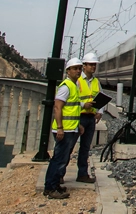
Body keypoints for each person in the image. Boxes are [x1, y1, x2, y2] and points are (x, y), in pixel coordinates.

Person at [42, 58, 93, 199]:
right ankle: (50, 188)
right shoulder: (66, 86)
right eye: (75, 68)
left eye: (79, 68)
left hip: (71, 129)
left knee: (62, 160)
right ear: (68, 71)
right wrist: (60, 128)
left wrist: (78, 125)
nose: (78, 71)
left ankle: (55, 186)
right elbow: (58, 107)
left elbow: (73, 109)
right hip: (64, 130)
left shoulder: (73, 85)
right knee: (58, 160)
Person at [74, 52, 104, 183]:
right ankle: (59, 174)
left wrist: (100, 111)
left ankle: (82, 174)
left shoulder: (96, 82)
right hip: (78, 117)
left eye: (94, 65)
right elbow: (71, 99)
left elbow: (101, 97)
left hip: (90, 118)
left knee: (85, 148)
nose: (93, 67)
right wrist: (82, 105)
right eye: (91, 64)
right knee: (68, 147)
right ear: (84, 66)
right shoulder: (77, 81)